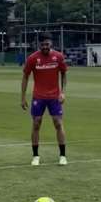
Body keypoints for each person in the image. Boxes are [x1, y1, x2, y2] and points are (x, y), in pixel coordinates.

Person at [21, 33, 68, 166]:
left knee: (58, 123)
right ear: (39, 45)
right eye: (42, 45)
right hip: (38, 96)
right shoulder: (32, 58)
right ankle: (36, 156)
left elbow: (64, 74)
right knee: (36, 123)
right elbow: (25, 77)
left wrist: (63, 92)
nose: (45, 47)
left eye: (47, 44)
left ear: (51, 44)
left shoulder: (58, 57)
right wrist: (23, 97)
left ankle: (63, 155)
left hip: (54, 96)